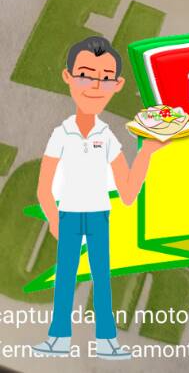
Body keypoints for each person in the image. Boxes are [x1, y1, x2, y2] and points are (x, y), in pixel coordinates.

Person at [31, 36, 168, 360]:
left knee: (102, 280)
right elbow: (44, 185)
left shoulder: (107, 138)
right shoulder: (61, 134)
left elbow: (128, 192)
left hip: (99, 218)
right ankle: (58, 338)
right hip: (67, 216)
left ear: (117, 85)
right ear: (67, 77)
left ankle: (107, 341)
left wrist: (147, 152)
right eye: (84, 75)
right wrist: (53, 219)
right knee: (65, 278)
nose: (94, 86)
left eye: (105, 79)